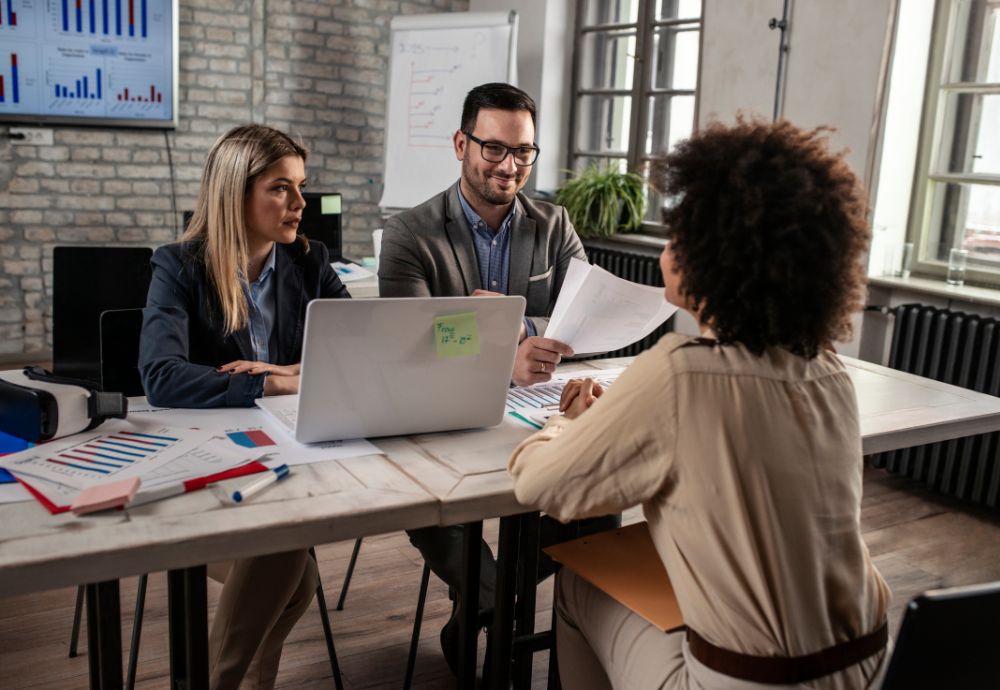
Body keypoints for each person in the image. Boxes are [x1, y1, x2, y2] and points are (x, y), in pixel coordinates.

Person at [508, 119, 892, 689]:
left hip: (749, 682)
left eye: (677, 234)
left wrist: (564, 425)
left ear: (714, 254)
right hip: (869, 664)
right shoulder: (828, 368)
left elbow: (539, 488)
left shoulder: (680, 370)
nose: (667, 247)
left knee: (578, 583)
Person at [378, 82, 617, 673]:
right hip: (436, 417)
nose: (510, 166)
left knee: (596, 498)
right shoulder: (409, 233)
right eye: (494, 149)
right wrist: (496, 351)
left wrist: (516, 322)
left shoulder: (553, 225)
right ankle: (496, 604)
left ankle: (482, 608)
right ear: (461, 144)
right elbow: (410, 339)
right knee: (426, 500)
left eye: (524, 152)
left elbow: (584, 317)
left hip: (531, 416)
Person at [139, 124, 349, 690]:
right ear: (237, 194)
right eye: (281, 188)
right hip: (203, 464)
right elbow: (162, 377)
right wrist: (278, 384)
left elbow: (357, 350)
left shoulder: (309, 261)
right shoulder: (179, 265)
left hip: (287, 454)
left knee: (290, 572)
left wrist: (282, 374)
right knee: (288, 560)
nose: (301, 204)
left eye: (301, 187)